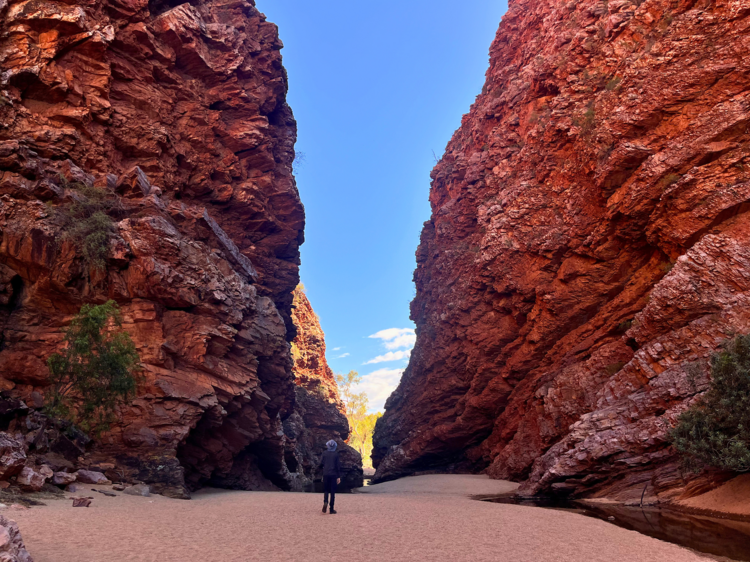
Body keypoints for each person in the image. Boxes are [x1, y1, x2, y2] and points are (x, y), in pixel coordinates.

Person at [319, 439, 341, 514]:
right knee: (332, 492)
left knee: (326, 490)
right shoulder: (336, 454)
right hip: (333, 474)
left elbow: (321, 463)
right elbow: (338, 466)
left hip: (325, 474)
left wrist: (320, 469)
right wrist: (338, 477)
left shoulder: (324, 453)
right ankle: (331, 509)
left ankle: (325, 502)